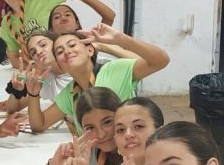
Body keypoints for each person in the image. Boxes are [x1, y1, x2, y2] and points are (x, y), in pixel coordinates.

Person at [27, 25, 169, 134]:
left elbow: (161, 61)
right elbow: (39, 125)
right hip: (99, 158)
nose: (67, 51)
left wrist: (120, 39)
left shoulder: (113, 70)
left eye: (72, 45)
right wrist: (33, 94)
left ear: (90, 50)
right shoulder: (70, 93)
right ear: (59, 63)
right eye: (59, 51)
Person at [16, 88, 122, 165]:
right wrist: (55, 164)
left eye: (107, 122)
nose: (100, 134)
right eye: (90, 128)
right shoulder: (90, 149)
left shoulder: (133, 154)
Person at [0, 0, 72, 67]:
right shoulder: (6, 24)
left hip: (63, 58)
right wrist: (37, 68)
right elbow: (14, 58)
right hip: (40, 68)